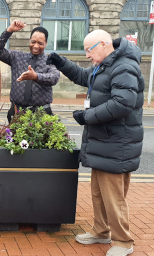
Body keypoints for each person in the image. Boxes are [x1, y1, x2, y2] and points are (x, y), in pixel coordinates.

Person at [46, 30, 144, 256]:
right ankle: (101, 232)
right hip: (104, 141)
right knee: (99, 193)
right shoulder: (106, 65)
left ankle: (123, 242)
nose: (87, 55)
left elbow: (122, 103)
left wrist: (86, 116)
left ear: (103, 44)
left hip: (116, 144)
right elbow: (83, 76)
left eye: (89, 50)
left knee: (113, 197)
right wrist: (62, 63)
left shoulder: (124, 67)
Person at [0, 20, 60, 123]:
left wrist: (35, 76)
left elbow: (54, 78)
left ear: (46, 43)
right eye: (33, 42)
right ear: (29, 40)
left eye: (40, 43)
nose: (36, 46)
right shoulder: (17, 57)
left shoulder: (50, 61)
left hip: (41, 114)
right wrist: (9, 30)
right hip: (17, 112)